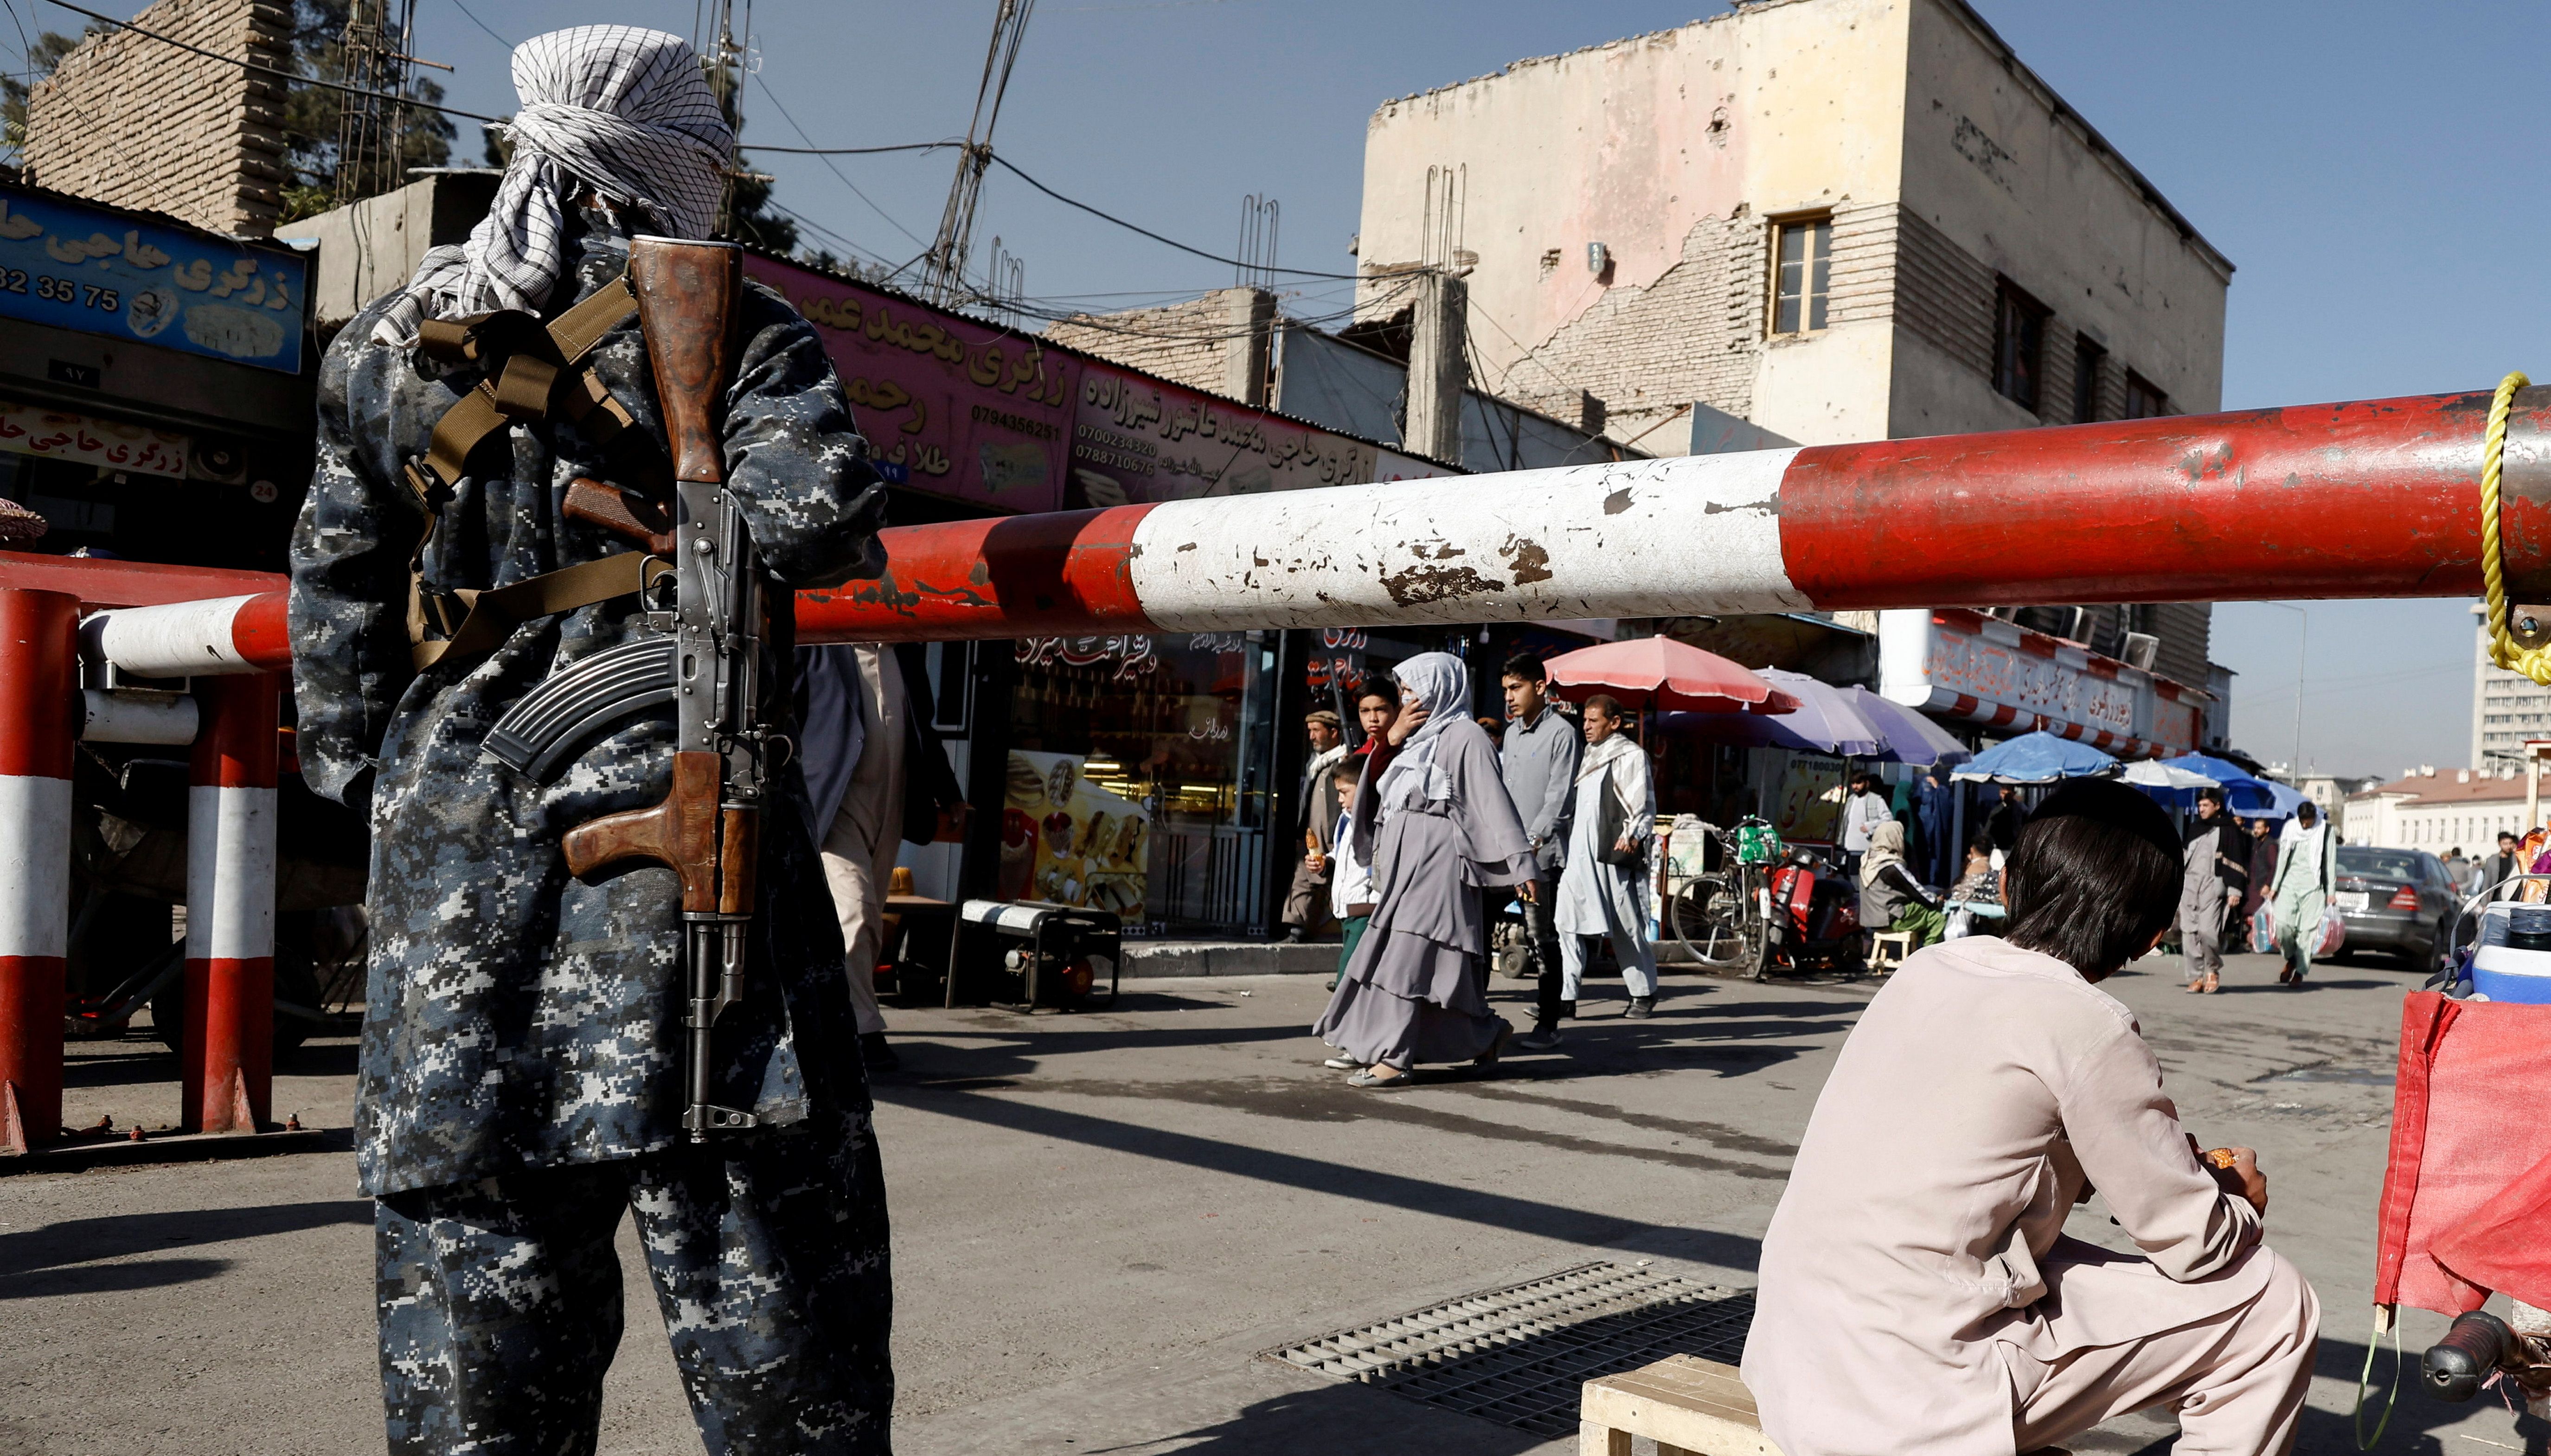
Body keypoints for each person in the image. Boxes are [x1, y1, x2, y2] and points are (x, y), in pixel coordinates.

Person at [288, 27, 893, 1453]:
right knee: (785, 1356)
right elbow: (818, 518)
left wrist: (413, 807)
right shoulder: (732, 321)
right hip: (689, 916)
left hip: (457, 931)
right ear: (668, 164)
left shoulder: (380, 347)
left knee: (475, 1367)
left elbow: (335, 635)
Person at [1744, 779, 2317, 1456]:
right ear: (2153, 936)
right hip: (1906, 1398)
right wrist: (2235, 1202)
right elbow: (2193, 1243)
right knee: (2275, 1304)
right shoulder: (2090, 1027)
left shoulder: (1927, 970)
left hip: (1794, 1360)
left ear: (2009, 885)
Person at [1312, 654, 1536, 1087]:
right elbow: (1373, 797)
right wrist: (1390, 741)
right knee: (1432, 971)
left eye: (1415, 690)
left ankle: (1394, 1057)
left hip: (1439, 869)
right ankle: (1485, 1036)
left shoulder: (1467, 736)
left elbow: (1494, 802)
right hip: (1402, 873)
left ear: (1442, 688)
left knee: (1403, 964)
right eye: (1406, 693)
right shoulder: (1412, 740)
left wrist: (1521, 863)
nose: (1409, 700)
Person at [801, 642, 964, 1074]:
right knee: (855, 913)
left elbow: (921, 729)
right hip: (836, 805)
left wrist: (947, 791)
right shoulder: (819, 645)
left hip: (892, 799)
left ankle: (829, 1018)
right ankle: (863, 1033)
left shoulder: (905, 650)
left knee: (866, 916)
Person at [1556, 694, 1661, 1018]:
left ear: (1614, 723)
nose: (1586, 727)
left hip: (1613, 852)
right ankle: (1565, 997)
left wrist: (1632, 835)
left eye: (1594, 721)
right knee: (1566, 922)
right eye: (1584, 720)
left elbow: (1641, 803)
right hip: (1580, 853)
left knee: (1625, 925)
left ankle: (1644, 993)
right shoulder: (1589, 755)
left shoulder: (1631, 755)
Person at [1497, 653, 1579, 1050]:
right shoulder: (1511, 733)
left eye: (1516, 688)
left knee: (1540, 938)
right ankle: (1477, 1022)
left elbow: (1559, 800)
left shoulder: (1562, 733)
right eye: (1506, 690)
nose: (1509, 698)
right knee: (1480, 933)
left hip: (1538, 858)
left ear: (1540, 687)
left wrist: (1530, 842)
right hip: (1500, 855)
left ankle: (1549, 1022)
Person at [1282, 709, 1349, 942]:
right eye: (1309, 731)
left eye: (1316, 731)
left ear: (1334, 732)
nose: (1311, 737)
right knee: (1302, 882)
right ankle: (1297, 930)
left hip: (1335, 837)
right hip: (1312, 836)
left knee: (1336, 882)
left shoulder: (1345, 761)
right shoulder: (1315, 764)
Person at [2268, 799, 2339, 987]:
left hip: (2314, 888)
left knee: (2306, 933)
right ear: (2299, 819)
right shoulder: (2290, 829)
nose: (2307, 825)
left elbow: (2330, 862)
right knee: (2283, 926)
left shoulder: (2325, 831)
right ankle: (2291, 958)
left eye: (2310, 821)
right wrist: (2274, 887)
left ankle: (2300, 970)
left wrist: (2331, 892)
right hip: (2289, 885)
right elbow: (2282, 859)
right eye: (2304, 821)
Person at [1321, 759, 1375, 1000]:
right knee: (1353, 963)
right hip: (1346, 908)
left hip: (1366, 906)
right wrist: (1326, 862)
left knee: (1350, 966)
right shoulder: (1345, 820)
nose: (1340, 800)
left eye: (1344, 792)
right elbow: (1340, 851)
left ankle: (1341, 1019)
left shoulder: (1374, 820)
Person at [1858, 820, 1945, 949]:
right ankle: (1928, 959)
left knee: (1921, 912)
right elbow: (1915, 890)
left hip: (1873, 920)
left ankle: (1918, 953)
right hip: (1892, 918)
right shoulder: (1890, 866)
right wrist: (1936, 901)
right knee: (1938, 918)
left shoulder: (1868, 860)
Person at [2179, 807, 2228, 995]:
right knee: (2189, 932)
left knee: (2208, 931)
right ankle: (2196, 976)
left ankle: (2212, 970)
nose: (2202, 809)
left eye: (2206, 805)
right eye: (2200, 805)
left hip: (2213, 886)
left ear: (2217, 806)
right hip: (2190, 885)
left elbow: (2236, 858)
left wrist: (2235, 891)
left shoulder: (2227, 829)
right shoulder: (2194, 828)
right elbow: (2184, 856)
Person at [1840, 770, 1889, 876]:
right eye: (1853, 783)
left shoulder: (1877, 800)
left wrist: (1870, 826)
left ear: (1867, 783)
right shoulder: (1851, 800)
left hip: (1867, 848)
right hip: (1849, 848)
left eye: (1858, 783)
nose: (1855, 787)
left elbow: (1888, 819)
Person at [1916, 770, 1957, 888]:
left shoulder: (1941, 793)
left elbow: (1948, 805)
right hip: (1924, 840)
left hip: (1936, 838)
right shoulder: (1918, 804)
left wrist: (1938, 788)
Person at [2243, 816, 2280, 939]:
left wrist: (2268, 885)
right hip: (2253, 884)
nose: (2256, 831)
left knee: (2260, 915)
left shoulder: (2270, 845)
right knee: (2250, 914)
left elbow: (2274, 867)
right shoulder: (2256, 844)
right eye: (2255, 828)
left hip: (2262, 886)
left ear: (2267, 829)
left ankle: (2261, 940)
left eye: (2259, 828)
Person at [1985, 783, 2025, 861]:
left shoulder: (2020, 809)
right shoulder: (1996, 809)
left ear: (2013, 794)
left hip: (2015, 847)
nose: (2004, 796)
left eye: (2008, 794)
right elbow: (1989, 828)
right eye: (2003, 793)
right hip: (1999, 848)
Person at [2484, 830, 2525, 900]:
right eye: (2505, 844)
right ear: (2499, 844)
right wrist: (2484, 903)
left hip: (2513, 897)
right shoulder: (2491, 861)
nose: (2509, 846)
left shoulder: (2517, 859)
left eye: (2510, 843)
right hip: (2497, 898)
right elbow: (2486, 883)